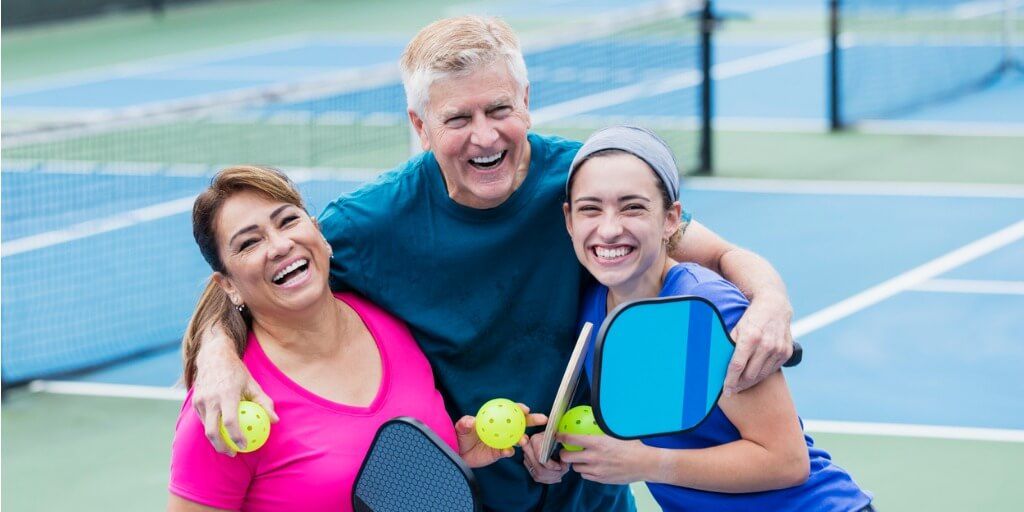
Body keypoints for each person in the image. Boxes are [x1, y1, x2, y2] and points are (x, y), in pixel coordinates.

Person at [189, 17, 798, 511]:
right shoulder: (370, 223)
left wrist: (770, 301)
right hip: (466, 493)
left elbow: (718, 252)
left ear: (527, 102)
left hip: (594, 495)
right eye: (457, 119)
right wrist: (217, 357)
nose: (485, 137)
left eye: (498, 109)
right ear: (420, 126)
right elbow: (262, 273)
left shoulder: (587, 186)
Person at [522, 126, 873, 511]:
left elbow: (785, 461)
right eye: (591, 208)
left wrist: (645, 462)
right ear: (569, 220)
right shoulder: (593, 306)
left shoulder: (707, 306)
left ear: (671, 218)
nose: (609, 229)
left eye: (632, 207)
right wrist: (563, 453)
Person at [168, 166, 543, 511]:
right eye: (249, 243)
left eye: (288, 221)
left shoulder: (390, 320)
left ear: (318, 232)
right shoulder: (226, 408)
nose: (280, 245)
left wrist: (450, 455)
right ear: (228, 286)